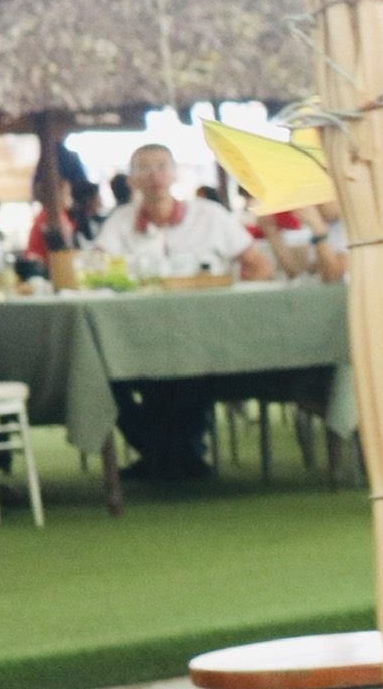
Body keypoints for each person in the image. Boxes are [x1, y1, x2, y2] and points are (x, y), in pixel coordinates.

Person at [99, 145, 272, 478]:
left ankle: (168, 454)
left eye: (162, 166)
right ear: (132, 179)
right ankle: (169, 452)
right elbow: (95, 272)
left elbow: (259, 267)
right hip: (136, 336)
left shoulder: (209, 215)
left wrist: (232, 299)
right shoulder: (119, 223)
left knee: (192, 368)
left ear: (175, 174)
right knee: (104, 373)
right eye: (144, 168)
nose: (154, 175)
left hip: (207, 334)